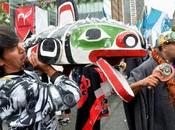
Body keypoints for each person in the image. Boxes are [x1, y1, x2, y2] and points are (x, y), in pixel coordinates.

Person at [0, 24, 81, 130]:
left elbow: (50, 89)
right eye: (12, 48)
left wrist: (65, 70)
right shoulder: (18, 89)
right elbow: (72, 93)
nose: (22, 49)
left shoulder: (20, 75)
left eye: (18, 42)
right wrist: (48, 69)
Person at [125, 30, 175, 130]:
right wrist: (141, 83)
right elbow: (125, 92)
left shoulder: (173, 64)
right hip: (158, 124)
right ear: (164, 47)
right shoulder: (146, 67)